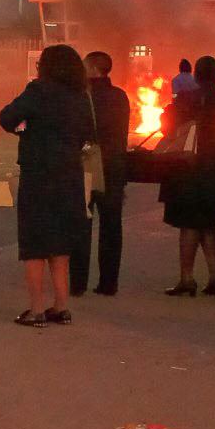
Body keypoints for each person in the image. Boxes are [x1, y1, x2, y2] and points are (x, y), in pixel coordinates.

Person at [0, 44, 94, 327]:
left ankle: (37, 309)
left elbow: (7, 117)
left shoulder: (38, 91)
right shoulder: (80, 96)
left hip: (39, 174)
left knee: (35, 243)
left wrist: (25, 129)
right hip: (70, 174)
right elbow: (88, 133)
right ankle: (61, 306)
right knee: (61, 243)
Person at [160, 55, 215, 297]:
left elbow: (167, 128)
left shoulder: (183, 100)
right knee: (208, 224)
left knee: (188, 225)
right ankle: (214, 276)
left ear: (195, 75)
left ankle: (187, 278)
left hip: (187, 167)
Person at [80, 51, 133, 296]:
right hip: (115, 167)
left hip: (89, 166)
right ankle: (109, 282)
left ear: (92, 69)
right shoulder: (120, 96)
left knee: (82, 223)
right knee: (112, 227)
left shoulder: (83, 96)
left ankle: (77, 281)